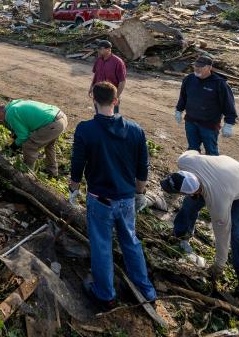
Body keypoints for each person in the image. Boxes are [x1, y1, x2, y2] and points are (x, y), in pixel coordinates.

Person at [70, 81, 156, 309]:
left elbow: (77, 164)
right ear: (116, 101)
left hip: (100, 200)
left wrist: (74, 188)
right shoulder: (136, 130)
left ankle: (105, 294)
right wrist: (140, 193)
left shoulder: (85, 129)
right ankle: (146, 290)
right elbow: (142, 167)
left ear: (93, 99)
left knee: (101, 246)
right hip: (127, 199)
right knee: (131, 242)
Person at [160, 151, 239, 300]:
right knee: (190, 204)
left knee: (237, 232)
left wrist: (219, 264)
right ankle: (180, 235)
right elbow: (193, 152)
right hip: (228, 177)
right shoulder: (185, 161)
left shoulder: (217, 200)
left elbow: (222, 232)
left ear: (196, 190)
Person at [174, 54, 237, 155]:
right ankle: (194, 169)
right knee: (192, 150)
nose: (197, 69)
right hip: (191, 122)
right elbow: (183, 97)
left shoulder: (219, 84)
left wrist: (229, 124)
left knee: (211, 152)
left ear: (209, 68)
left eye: (200, 67)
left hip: (209, 125)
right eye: (195, 66)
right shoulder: (189, 79)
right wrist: (178, 110)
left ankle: (211, 170)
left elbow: (228, 104)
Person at [0, 99, 68, 176]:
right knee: (49, 146)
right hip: (60, 118)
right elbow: (25, 127)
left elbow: (23, 136)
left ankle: (28, 174)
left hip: (52, 123)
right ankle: (52, 172)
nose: (1, 120)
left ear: (1, 112)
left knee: (29, 145)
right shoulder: (15, 105)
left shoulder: (9, 114)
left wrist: (12, 147)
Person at [88, 40, 126, 113]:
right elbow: (96, 75)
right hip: (98, 93)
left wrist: (116, 96)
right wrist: (91, 88)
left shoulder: (118, 62)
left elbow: (122, 81)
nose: (98, 51)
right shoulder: (99, 60)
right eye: (98, 49)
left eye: (100, 49)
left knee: (113, 117)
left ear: (108, 49)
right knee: (99, 115)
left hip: (111, 95)